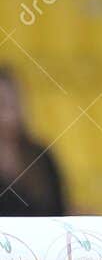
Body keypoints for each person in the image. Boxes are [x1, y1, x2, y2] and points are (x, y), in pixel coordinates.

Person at [0, 67, 67, 217]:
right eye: (3, 103)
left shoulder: (41, 155)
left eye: (14, 101)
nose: (10, 110)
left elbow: (59, 208)